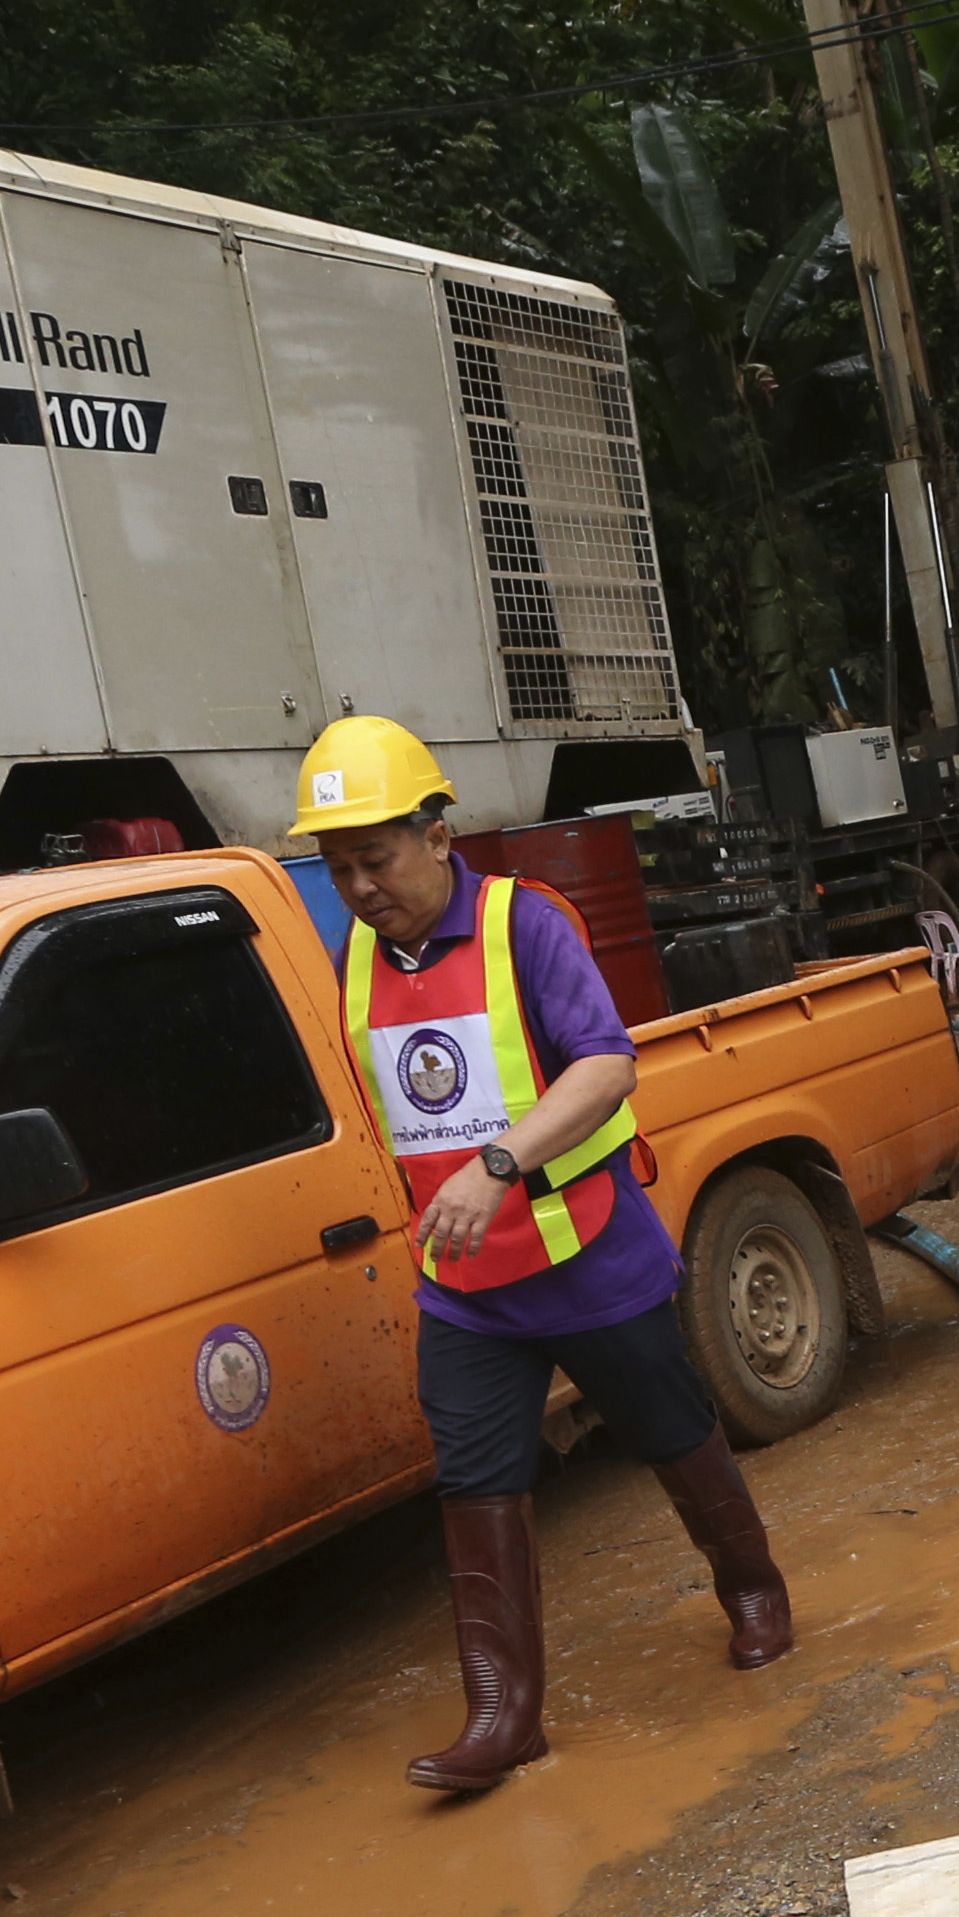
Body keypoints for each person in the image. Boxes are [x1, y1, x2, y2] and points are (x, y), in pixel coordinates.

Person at [289, 715, 790, 1800]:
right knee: (474, 1482)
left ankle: (753, 1592)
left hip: (584, 1253)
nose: (360, 887)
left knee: (669, 1430)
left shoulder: (527, 925)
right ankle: (502, 1713)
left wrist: (497, 1165)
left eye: (375, 859)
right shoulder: (359, 960)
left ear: (436, 834)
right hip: (464, 1288)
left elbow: (607, 1066)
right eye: (338, 871)